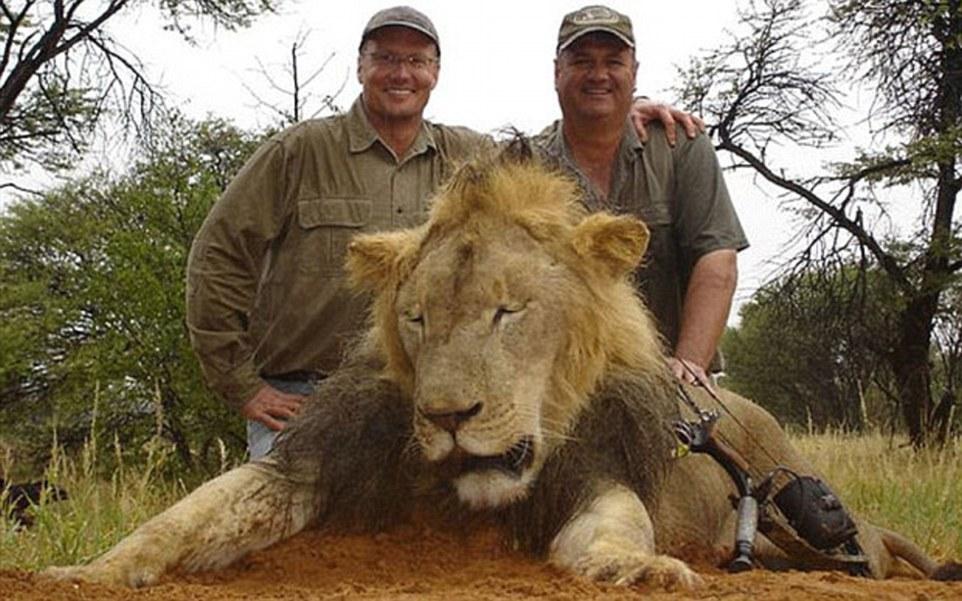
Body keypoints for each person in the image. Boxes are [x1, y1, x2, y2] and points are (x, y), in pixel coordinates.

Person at [186, 6, 704, 460]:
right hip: (300, 394)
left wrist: (616, 113)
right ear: (361, 66)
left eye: (417, 61)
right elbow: (217, 258)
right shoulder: (297, 152)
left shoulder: (471, 159)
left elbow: (545, 187)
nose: (401, 73)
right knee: (284, 523)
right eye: (386, 58)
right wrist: (244, 387)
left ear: (435, 73)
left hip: (410, 391)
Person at [535, 5, 749, 386]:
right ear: (556, 73)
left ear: (634, 73)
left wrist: (689, 365)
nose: (598, 75)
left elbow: (717, 260)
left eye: (613, 62)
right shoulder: (525, 163)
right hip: (563, 385)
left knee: (752, 441)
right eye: (582, 61)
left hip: (671, 375)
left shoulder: (682, 145)